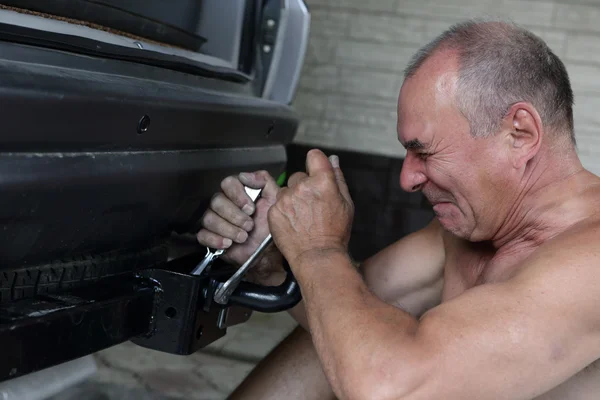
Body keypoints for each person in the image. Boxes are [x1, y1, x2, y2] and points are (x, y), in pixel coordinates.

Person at [197, 19, 600, 400]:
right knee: (338, 336)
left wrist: (318, 250)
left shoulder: (590, 259)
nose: (407, 179)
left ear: (520, 134)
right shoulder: (463, 234)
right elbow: (349, 317)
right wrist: (274, 262)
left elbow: (390, 387)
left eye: (423, 151)